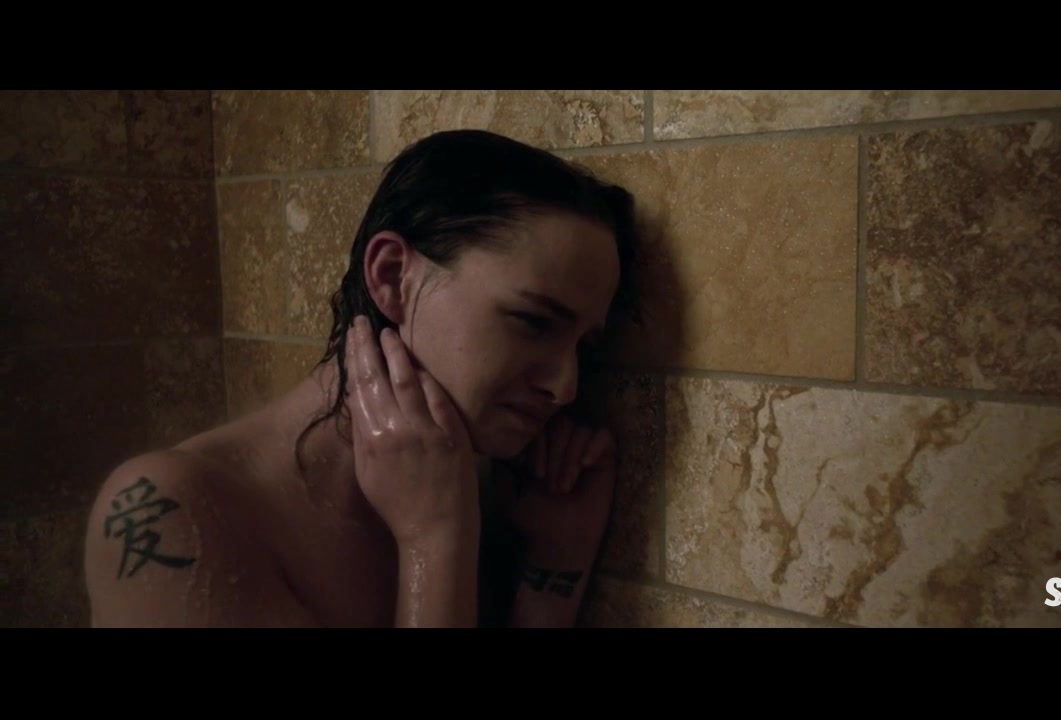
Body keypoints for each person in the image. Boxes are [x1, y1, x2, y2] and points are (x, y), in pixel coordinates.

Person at [83, 129, 642, 627]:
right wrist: (433, 542)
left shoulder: (475, 486)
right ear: (393, 276)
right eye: (534, 321)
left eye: (584, 349)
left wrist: (553, 568)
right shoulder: (173, 513)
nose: (566, 387)